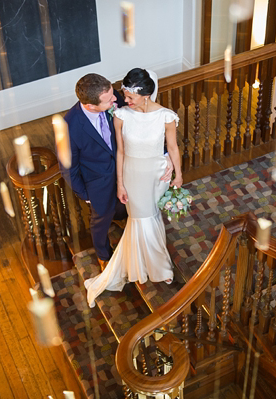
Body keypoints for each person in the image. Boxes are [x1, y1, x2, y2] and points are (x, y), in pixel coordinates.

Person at [84, 68, 182, 307]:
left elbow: (173, 147)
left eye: (129, 97)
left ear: (145, 95)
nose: (124, 100)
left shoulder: (167, 117)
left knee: (151, 216)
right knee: (141, 218)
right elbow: (120, 151)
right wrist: (120, 183)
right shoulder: (121, 116)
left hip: (157, 174)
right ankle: (159, 268)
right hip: (132, 174)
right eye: (125, 95)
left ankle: (150, 263)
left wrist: (178, 174)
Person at [60, 73, 173, 270]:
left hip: (127, 169)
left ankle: (121, 220)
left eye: (113, 93)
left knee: (125, 205)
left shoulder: (115, 99)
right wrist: (86, 195)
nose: (116, 99)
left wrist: (165, 153)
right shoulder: (69, 127)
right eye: (109, 99)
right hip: (97, 183)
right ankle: (103, 254)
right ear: (90, 106)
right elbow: (69, 168)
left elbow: (143, 126)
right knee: (100, 220)